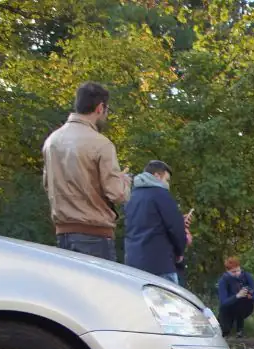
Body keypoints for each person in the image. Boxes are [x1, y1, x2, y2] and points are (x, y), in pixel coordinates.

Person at [42, 81, 131, 261]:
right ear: (100, 108)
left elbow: (47, 184)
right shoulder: (101, 144)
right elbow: (117, 194)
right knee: (100, 288)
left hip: (63, 232)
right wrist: (124, 181)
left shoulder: (52, 141)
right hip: (95, 234)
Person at [124, 160, 191, 284]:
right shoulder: (161, 194)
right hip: (160, 264)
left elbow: (143, 224)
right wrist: (180, 252)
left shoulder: (131, 196)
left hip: (133, 263)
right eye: (167, 180)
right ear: (156, 176)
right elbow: (175, 228)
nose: (168, 185)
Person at [217, 257, 254, 338]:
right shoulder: (223, 281)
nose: (236, 273)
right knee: (225, 330)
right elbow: (223, 303)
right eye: (233, 272)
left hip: (243, 306)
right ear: (227, 272)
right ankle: (225, 327)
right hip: (228, 308)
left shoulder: (246, 276)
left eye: (238, 270)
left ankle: (240, 329)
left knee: (243, 303)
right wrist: (237, 296)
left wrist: (250, 296)